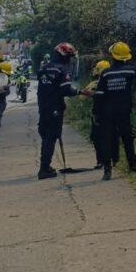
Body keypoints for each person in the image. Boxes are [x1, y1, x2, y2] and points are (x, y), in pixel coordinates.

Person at [94, 42, 136, 181]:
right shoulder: (129, 70)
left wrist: (96, 114)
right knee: (127, 138)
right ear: (126, 57)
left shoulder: (105, 74)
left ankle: (107, 170)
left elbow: (99, 95)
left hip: (107, 113)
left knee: (108, 140)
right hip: (124, 112)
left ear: (113, 56)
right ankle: (132, 165)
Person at [36, 42, 80, 179]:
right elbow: (66, 89)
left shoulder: (44, 68)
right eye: (69, 56)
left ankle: (45, 166)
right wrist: (80, 91)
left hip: (43, 107)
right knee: (51, 137)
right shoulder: (62, 69)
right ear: (64, 55)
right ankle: (44, 170)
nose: (70, 59)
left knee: (46, 136)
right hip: (55, 108)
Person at [85, 60, 113, 168]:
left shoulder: (94, 84)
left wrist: (91, 92)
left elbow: (82, 97)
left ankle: (101, 161)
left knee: (96, 138)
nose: (94, 70)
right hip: (111, 114)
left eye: (96, 68)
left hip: (98, 115)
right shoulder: (112, 81)